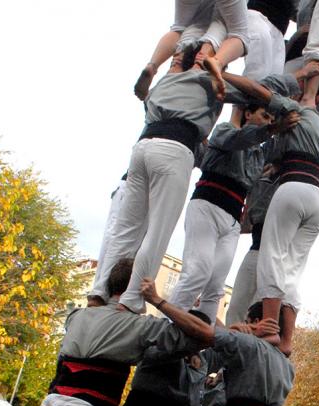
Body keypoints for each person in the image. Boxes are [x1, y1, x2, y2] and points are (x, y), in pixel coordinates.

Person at [39, 266, 214, 406]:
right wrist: (158, 300)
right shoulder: (139, 325)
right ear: (138, 290)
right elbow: (205, 335)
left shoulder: (76, 316)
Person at [91, 48, 225, 312]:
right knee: (157, 232)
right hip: (175, 149)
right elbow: (251, 96)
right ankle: (131, 300)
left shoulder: (167, 81)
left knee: (126, 229)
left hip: (143, 147)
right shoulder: (208, 82)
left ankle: (99, 292)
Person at [221, 69, 319, 356]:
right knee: (293, 270)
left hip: (293, 189)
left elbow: (255, 89)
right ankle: (287, 340)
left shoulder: (298, 111)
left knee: (272, 257)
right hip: (317, 201)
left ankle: (270, 325)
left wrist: (223, 73)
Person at [168, 77, 300, 319]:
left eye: (271, 119)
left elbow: (286, 139)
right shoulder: (225, 131)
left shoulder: (260, 153)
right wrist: (272, 129)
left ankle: (201, 334)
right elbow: (241, 139)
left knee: (216, 285)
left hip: (232, 220)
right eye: (264, 115)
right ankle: (165, 328)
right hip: (207, 206)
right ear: (248, 114)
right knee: (197, 272)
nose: (268, 122)